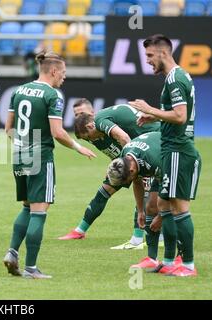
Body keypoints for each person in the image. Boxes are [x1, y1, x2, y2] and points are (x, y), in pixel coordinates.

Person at [3, 52, 96, 279]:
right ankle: (31, 268)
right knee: (39, 212)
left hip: (19, 155)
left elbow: (8, 129)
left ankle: (12, 252)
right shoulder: (53, 95)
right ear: (53, 71)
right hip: (41, 156)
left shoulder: (19, 90)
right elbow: (57, 132)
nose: (64, 78)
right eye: (63, 73)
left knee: (27, 207)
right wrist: (78, 146)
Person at [129, 34, 201, 277]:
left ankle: (188, 265)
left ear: (163, 53)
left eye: (150, 56)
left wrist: (150, 109)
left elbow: (180, 116)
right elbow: (178, 114)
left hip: (180, 150)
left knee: (179, 207)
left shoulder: (175, 78)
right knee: (162, 204)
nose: (147, 61)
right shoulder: (175, 77)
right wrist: (155, 116)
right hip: (172, 148)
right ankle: (169, 261)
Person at [58, 101, 162, 250]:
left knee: (147, 191)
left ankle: (138, 240)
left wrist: (128, 164)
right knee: (105, 190)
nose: (91, 140)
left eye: (89, 137)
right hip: (133, 155)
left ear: (90, 124)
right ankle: (80, 231)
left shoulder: (100, 121)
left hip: (152, 148)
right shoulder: (96, 133)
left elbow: (125, 139)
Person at [106, 131, 183, 272]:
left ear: (131, 170)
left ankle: (180, 258)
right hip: (161, 165)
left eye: (125, 181)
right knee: (151, 207)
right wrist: (140, 210)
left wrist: (161, 217)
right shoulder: (125, 156)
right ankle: (152, 259)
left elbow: (173, 194)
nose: (126, 184)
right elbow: (136, 182)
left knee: (176, 209)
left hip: (179, 163)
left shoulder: (153, 160)